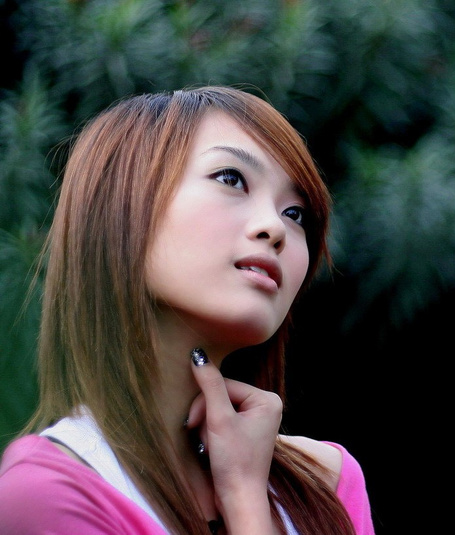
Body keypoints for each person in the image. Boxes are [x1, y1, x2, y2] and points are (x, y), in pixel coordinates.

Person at [0, 86, 375, 535]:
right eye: (231, 179)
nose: (275, 228)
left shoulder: (328, 484)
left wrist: (245, 493)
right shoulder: (46, 492)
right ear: (121, 206)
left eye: (295, 214)